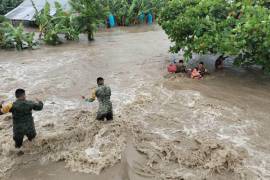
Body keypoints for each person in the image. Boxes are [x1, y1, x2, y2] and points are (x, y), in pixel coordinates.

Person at [0, 89, 43, 153]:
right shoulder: (30, 103)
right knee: (33, 143)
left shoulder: (11, 105)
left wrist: (0, 105)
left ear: (16, 96)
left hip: (18, 130)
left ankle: (19, 157)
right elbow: (40, 107)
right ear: (23, 95)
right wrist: (39, 101)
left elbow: (1, 112)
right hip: (30, 128)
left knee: (17, 147)